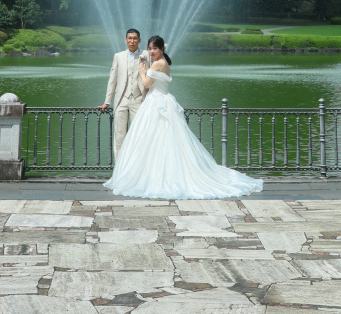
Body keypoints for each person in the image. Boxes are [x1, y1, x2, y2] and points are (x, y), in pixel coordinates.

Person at [103, 34, 263, 199]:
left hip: (157, 102)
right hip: (160, 101)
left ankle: (153, 176)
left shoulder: (158, 63)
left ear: (161, 49)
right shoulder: (164, 62)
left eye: (155, 48)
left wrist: (142, 72)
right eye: (150, 49)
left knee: (154, 139)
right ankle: (156, 174)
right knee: (160, 140)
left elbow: (145, 84)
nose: (151, 52)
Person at [98, 27, 147, 159]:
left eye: (135, 38)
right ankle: (119, 166)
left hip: (139, 99)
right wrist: (107, 101)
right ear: (125, 40)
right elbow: (112, 79)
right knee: (119, 135)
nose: (132, 41)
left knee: (139, 134)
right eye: (130, 38)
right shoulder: (118, 56)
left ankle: (137, 165)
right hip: (121, 100)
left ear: (139, 40)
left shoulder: (146, 55)